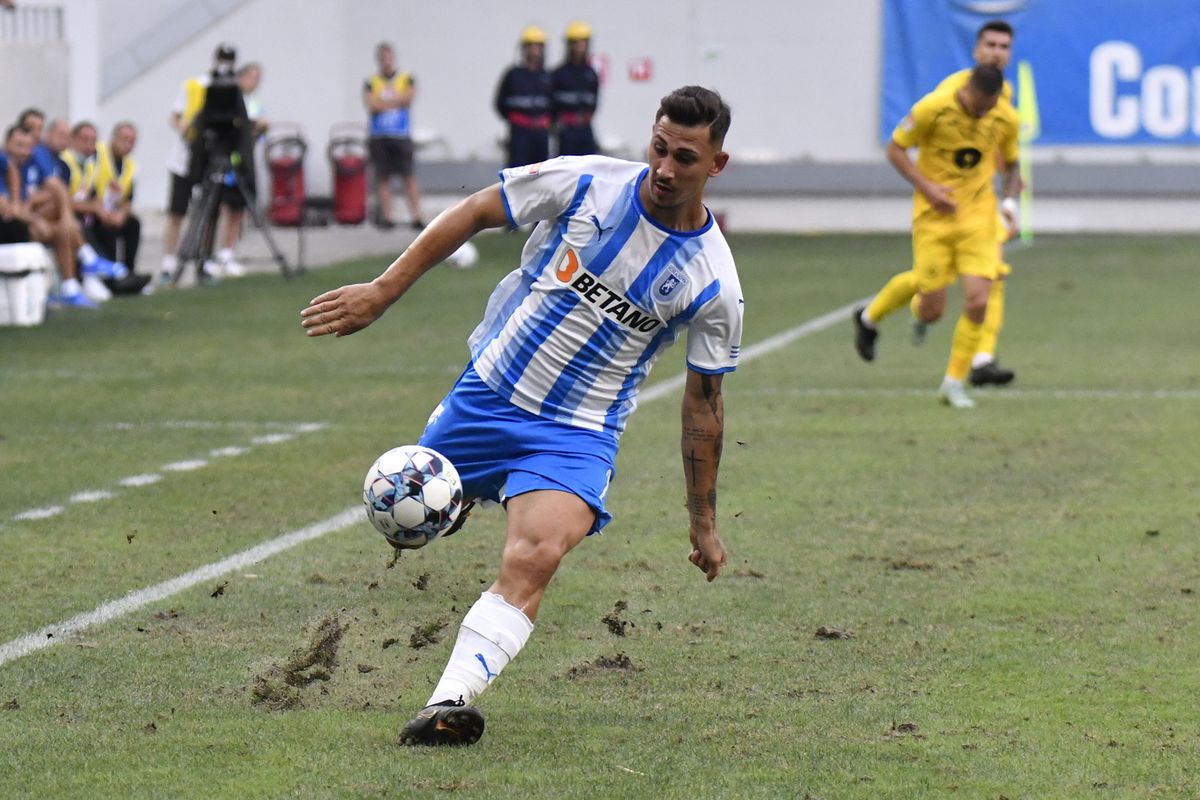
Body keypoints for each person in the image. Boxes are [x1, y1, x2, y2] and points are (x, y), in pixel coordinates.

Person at [301, 85, 741, 746]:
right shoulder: (587, 181)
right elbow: (479, 209)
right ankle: (457, 499)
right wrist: (384, 289)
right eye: (658, 148)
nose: (665, 169)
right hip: (490, 393)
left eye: (684, 157)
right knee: (415, 522)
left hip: (576, 435)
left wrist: (703, 522)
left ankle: (448, 702)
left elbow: (704, 404)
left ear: (716, 165)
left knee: (534, 556)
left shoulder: (713, 283)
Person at [863, 20, 1020, 388]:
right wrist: (931, 188)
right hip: (940, 208)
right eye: (991, 45)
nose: (998, 53)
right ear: (977, 51)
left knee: (990, 279)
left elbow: (997, 142)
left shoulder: (1004, 95)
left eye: (1004, 47)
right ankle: (891, 313)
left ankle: (980, 359)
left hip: (980, 204)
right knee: (933, 300)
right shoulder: (948, 96)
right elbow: (926, 143)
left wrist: (1009, 199)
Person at [160, 43, 252, 285]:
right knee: (177, 211)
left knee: (211, 212)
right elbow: (175, 116)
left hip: (212, 158)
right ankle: (169, 262)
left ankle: (205, 259)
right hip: (186, 158)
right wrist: (189, 132)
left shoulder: (233, 90)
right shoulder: (194, 86)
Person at [363, 42, 424, 230]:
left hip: (400, 134)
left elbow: (408, 98)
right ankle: (388, 217)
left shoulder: (406, 78)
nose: (386, 61)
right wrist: (395, 101)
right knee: (383, 177)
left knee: (408, 176)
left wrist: (385, 101)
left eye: (388, 57)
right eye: (382, 58)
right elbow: (372, 104)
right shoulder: (371, 81)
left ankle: (416, 216)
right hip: (379, 135)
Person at [89, 122, 151, 294]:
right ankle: (112, 278)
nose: (127, 144)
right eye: (124, 139)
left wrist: (122, 214)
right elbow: (88, 187)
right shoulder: (97, 155)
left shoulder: (130, 166)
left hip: (113, 212)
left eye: (132, 141)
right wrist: (103, 212)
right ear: (113, 138)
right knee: (105, 229)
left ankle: (129, 272)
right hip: (94, 213)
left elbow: (128, 199)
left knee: (133, 224)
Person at [494, 26, 552, 168]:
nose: (534, 51)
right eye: (531, 46)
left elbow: (554, 106)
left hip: (540, 132)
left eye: (538, 46)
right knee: (517, 170)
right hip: (519, 132)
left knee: (541, 170)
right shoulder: (513, 74)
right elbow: (499, 103)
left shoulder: (547, 76)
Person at [551, 20, 600, 156]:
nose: (581, 47)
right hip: (566, 131)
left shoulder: (591, 73)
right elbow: (551, 104)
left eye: (584, 43)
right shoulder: (559, 74)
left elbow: (594, 102)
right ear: (570, 45)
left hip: (585, 129)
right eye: (577, 43)